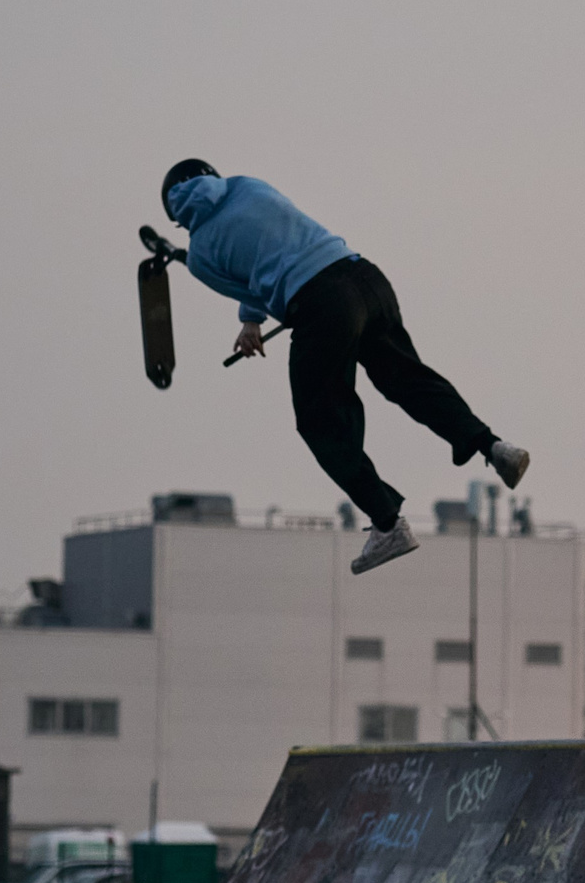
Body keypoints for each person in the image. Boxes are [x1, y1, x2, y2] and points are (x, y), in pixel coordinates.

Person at [160, 159, 529, 575]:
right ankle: (492, 446)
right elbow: (272, 239)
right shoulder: (247, 185)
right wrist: (254, 319)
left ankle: (387, 522)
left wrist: (251, 322)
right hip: (364, 277)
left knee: (321, 420)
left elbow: (253, 292)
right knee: (409, 379)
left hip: (322, 306)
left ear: (179, 216)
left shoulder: (200, 256)